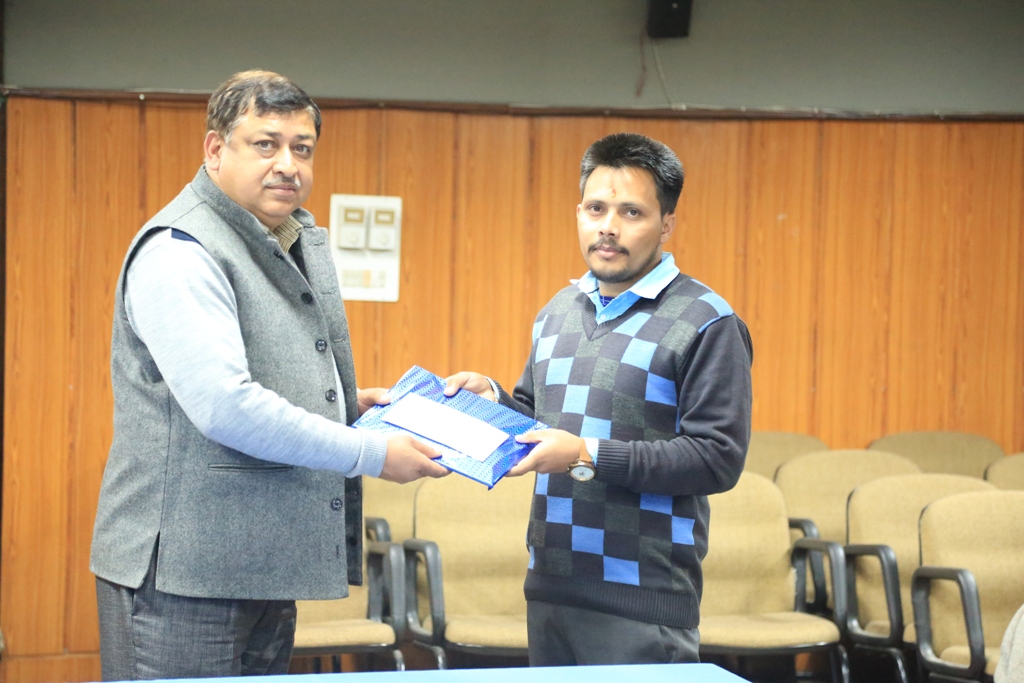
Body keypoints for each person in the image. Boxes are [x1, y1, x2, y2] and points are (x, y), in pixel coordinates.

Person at [90, 70, 447, 680]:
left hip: (259, 562)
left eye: (302, 148)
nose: (288, 164)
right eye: (266, 144)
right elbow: (226, 406)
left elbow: (264, 378)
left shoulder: (275, 239)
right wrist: (369, 452)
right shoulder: (181, 251)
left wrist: (348, 407)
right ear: (215, 150)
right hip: (185, 575)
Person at [445, 132, 753, 666]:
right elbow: (537, 424)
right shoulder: (557, 312)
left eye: (631, 211)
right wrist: (490, 397)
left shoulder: (708, 321)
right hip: (551, 586)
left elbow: (717, 458)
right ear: (579, 214)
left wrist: (586, 454)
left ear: (666, 224)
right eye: (596, 209)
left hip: (644, 601)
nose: (608, 226)